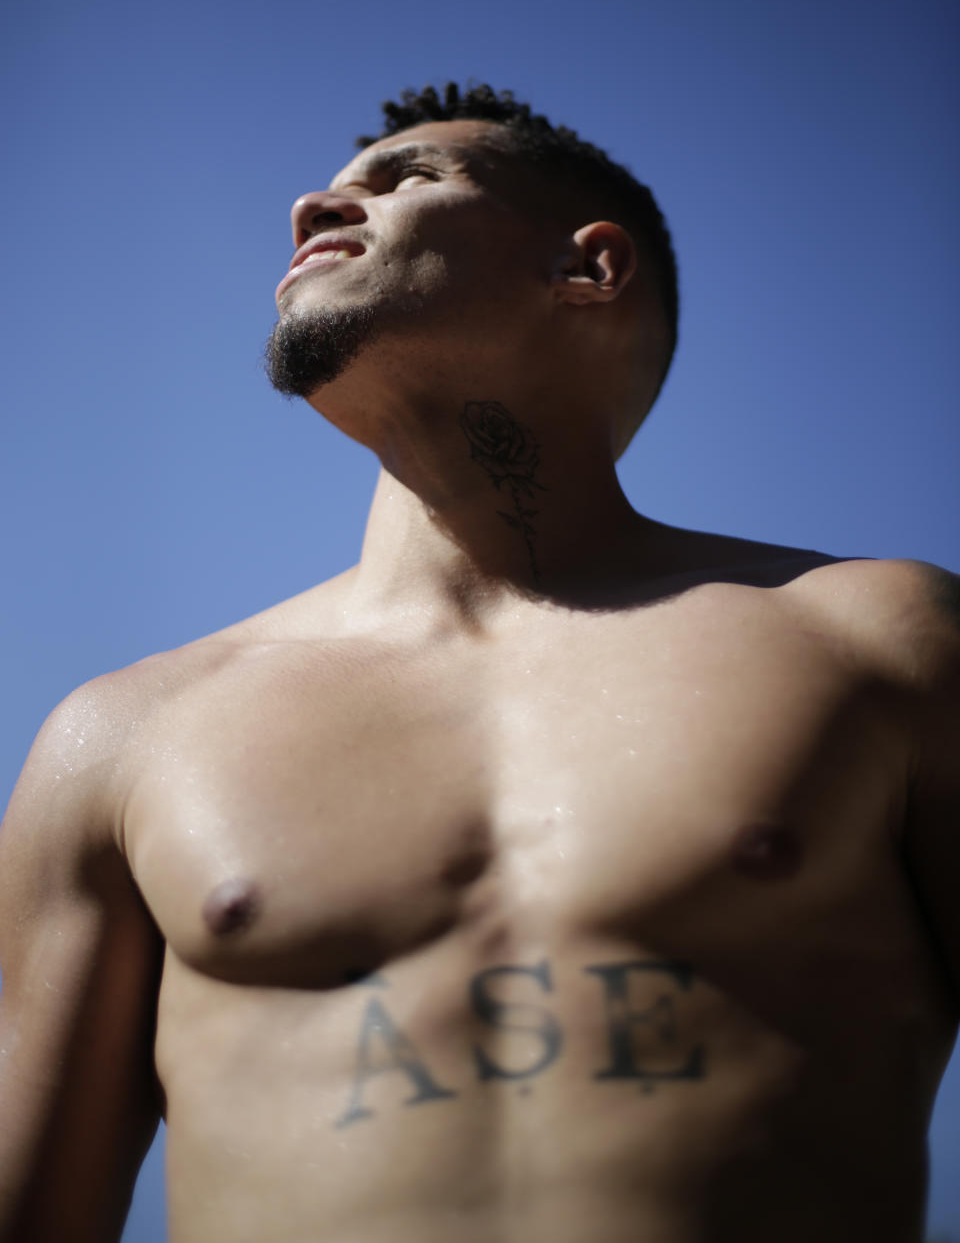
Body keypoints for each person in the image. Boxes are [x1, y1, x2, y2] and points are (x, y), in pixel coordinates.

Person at [0, 81, 957, 1243]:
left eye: (408, 179)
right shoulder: (126, 736)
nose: (317, 205)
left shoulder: (878, 640)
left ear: (588, 269)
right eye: (332, 189)